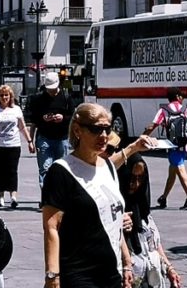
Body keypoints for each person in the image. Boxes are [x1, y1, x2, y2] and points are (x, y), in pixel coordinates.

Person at [42, 103, 131, 288]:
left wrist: (127, 263)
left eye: (107, 129)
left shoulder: (108, 167)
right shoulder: (61, 171)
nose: (104, 136)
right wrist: (52, 276)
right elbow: (51, 227)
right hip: (79, 274)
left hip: (111, 272)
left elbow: (111, 220)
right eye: (96, 129)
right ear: (77, 130)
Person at [142, 87, 187, 210]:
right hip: (185, 146)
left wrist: (142, 137)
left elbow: (152, 126)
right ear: (177, 97)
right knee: (172, 171)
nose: (183, 98)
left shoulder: (163, 111)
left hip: (173, 146)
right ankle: (163, 198)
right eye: (181, 96)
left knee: (180, 168)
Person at [118, 155, 182, 288]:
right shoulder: (115, 212)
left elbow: (154, 244)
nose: (135, 184)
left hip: (151, 279)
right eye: (131, 178)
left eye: (139, 178)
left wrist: (170, 269)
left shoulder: (142, 208)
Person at [0, 84, 34, 208]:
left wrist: (29, 141)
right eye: (1, 95)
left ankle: (13, 197)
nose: (4, 97)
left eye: (6, 95)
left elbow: (21, 127)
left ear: (10, 96)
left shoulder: (16, 109)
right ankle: (1, 196)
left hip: (13, 144)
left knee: (12, 171)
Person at [29, 71, 75, 190]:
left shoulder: (66, 98)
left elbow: (74, 117)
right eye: (49, 89)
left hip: (62, 138)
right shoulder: (39, 99)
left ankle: (58, 198)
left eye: (53, 89)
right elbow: (34, 121)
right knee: (45, 168)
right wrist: (30, 140)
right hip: (44, 137)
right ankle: (46, 198)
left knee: (61, 168)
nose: (51, 91)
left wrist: (63, 118)